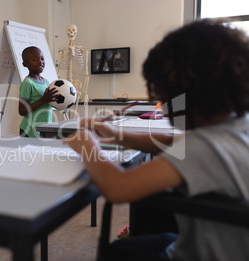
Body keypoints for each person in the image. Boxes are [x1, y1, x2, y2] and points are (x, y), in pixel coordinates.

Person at [63, 19, 249, 261]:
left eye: (163, 95)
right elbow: (174, 140)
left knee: (118, 252)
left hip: (199, 255)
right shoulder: (236, 125)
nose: (160, 105)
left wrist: (88, 146)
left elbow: (117, 188)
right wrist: (112, 133)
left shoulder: (204, 147)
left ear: (188, 95)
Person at [18, 46, 58, 137]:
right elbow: (22, 110)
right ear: (25, 64)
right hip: (29, 130)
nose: (40, 62)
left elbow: (47, 101)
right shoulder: (27, 83)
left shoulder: (46, 81)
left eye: (42, 58)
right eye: (35, 60)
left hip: (44, 128)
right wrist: (43, 100)